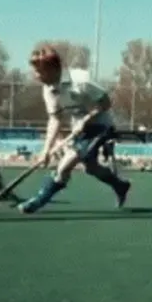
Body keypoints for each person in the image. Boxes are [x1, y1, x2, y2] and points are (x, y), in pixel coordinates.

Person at [17, 46, 131, 214]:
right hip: (80, 130)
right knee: (90, 167)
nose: (35, 75)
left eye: (38, 71)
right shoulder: (48, 89)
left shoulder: (81, 80)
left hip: (101, 126)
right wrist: (46, 150)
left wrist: (86, 119)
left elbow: (106, 103)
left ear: (52, 69)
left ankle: (38, 201)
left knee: (65, 166)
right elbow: (55, 119)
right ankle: (120, 185)